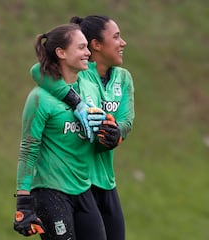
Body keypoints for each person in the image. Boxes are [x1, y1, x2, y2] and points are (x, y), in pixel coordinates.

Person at [30, 15, 135, 240]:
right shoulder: (81, 73)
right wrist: (75, 102)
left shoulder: (124, 79)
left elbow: (127, 122)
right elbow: (37, 71)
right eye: (116, 37)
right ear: (96, 45)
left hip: (106, 180)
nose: (123, 42)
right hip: (78, 182)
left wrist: (115, 132)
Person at [13, 23, 107, 240]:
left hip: (83, 189)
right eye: (82, 47)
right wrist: (23, 202)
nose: (88, 53)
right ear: (61, 52)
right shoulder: (39, 99)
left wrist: (109, 132)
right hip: (50, 192)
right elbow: (28, 149)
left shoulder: (88, 88)